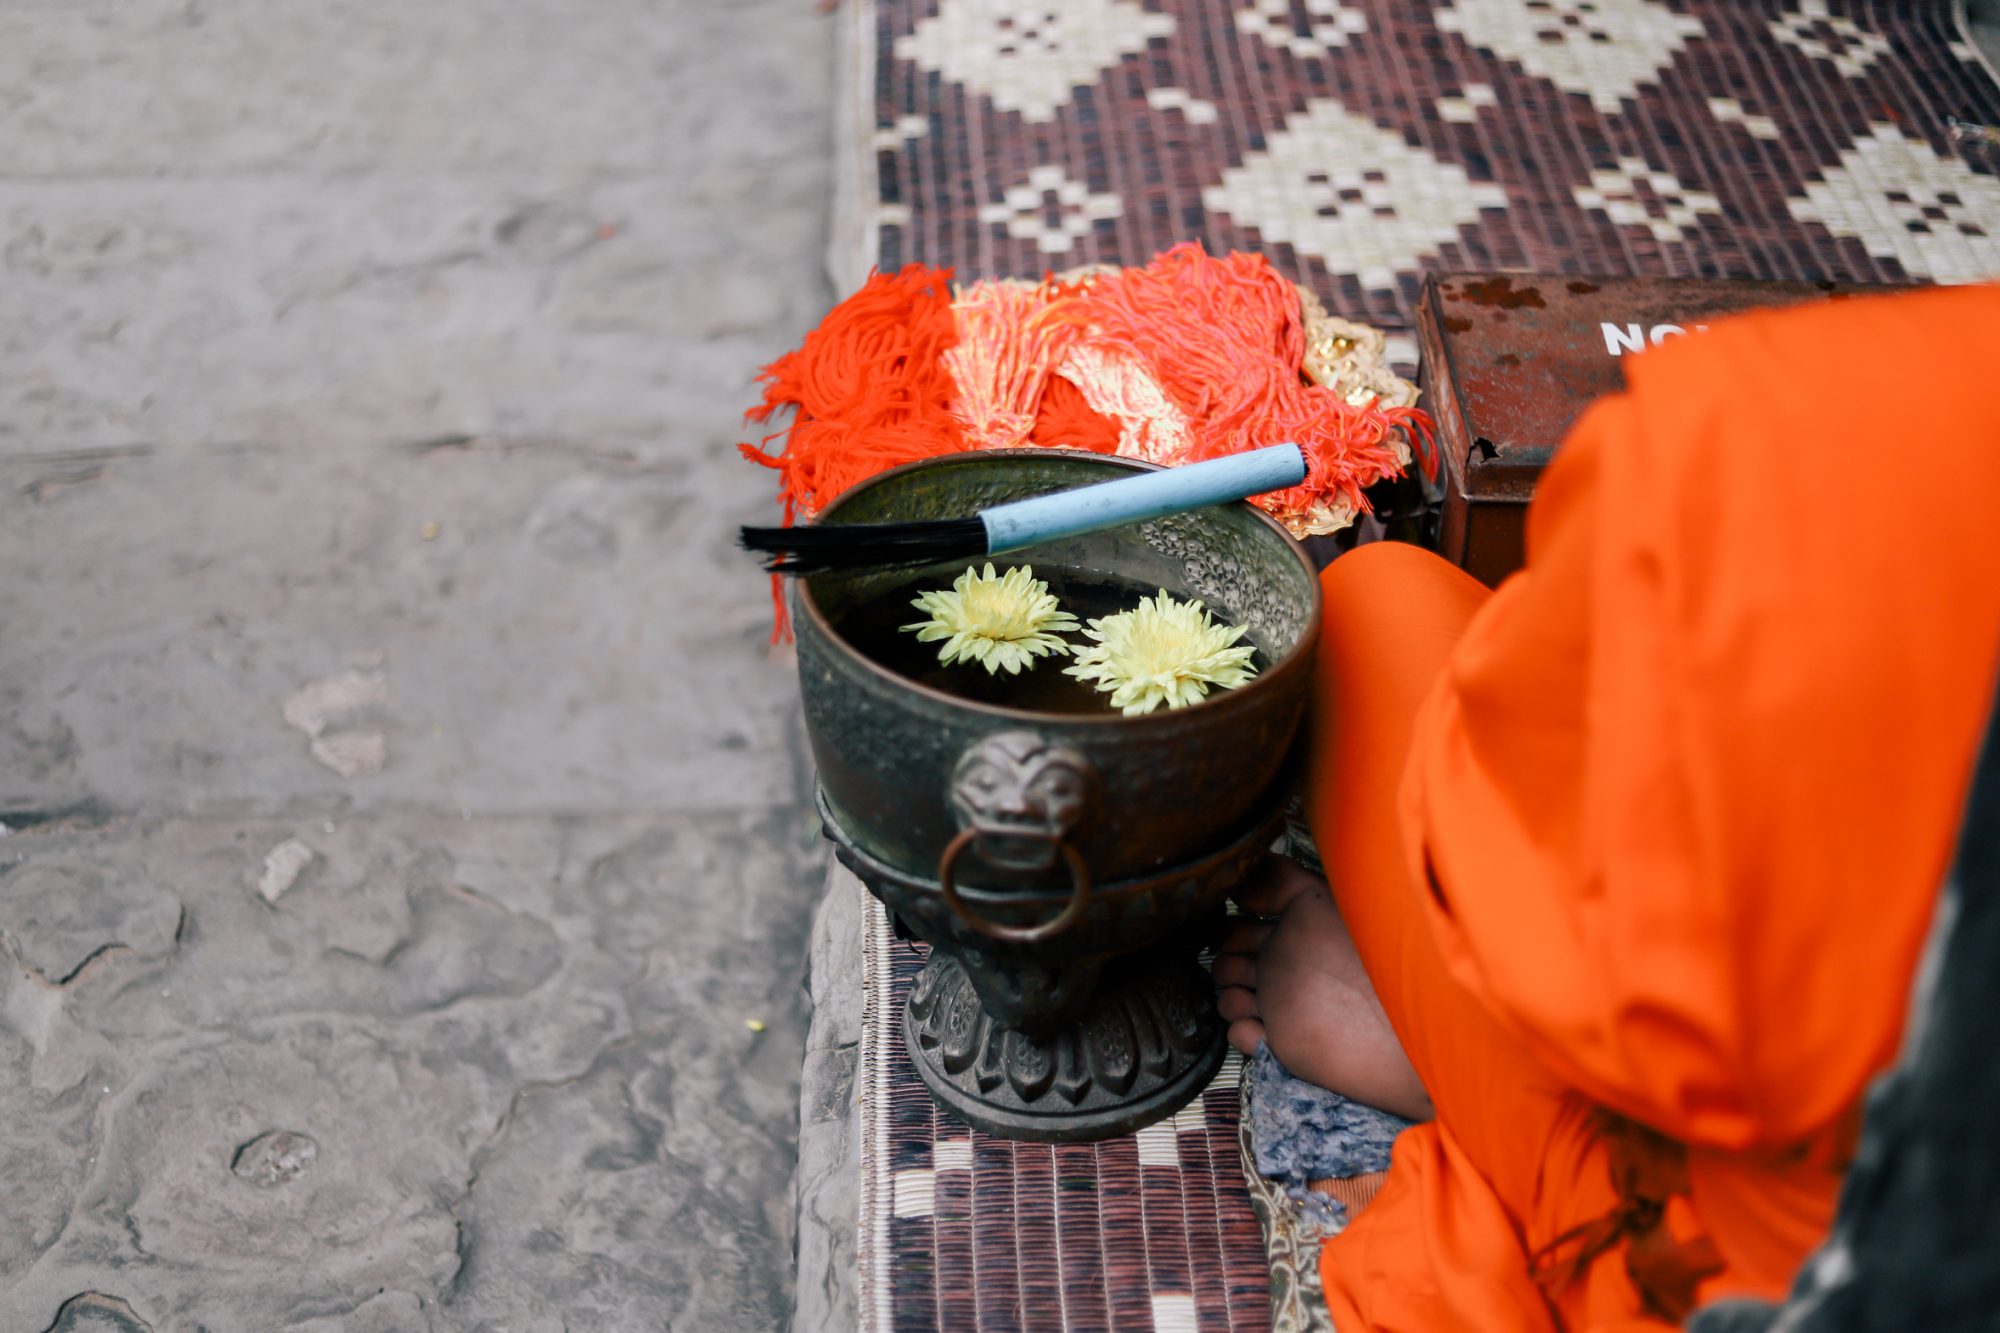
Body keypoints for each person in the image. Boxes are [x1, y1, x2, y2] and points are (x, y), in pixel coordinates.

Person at [1212, 282, 2000, 1331]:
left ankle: (1456, 1079)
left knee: (1372, 603)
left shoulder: (1773, 410)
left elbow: (1519, 882)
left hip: (1750, 1261)